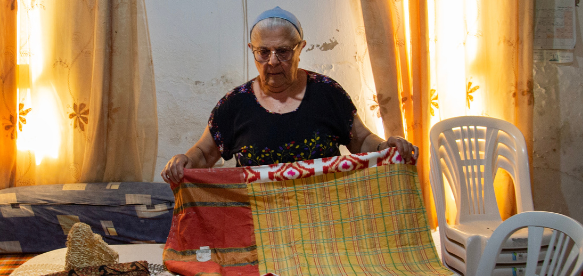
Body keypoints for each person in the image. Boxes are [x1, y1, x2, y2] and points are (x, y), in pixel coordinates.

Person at [161, 7, 418, 184]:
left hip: (326, 222)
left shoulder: (328, 93)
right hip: (258, 225)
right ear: (252, 50)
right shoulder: (234, 104)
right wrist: (184, 160)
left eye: (283, 52)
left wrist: (386, 147)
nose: (272, 61)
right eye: (263, 52)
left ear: (300, 49)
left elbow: (360, 141)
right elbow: (205, 154)